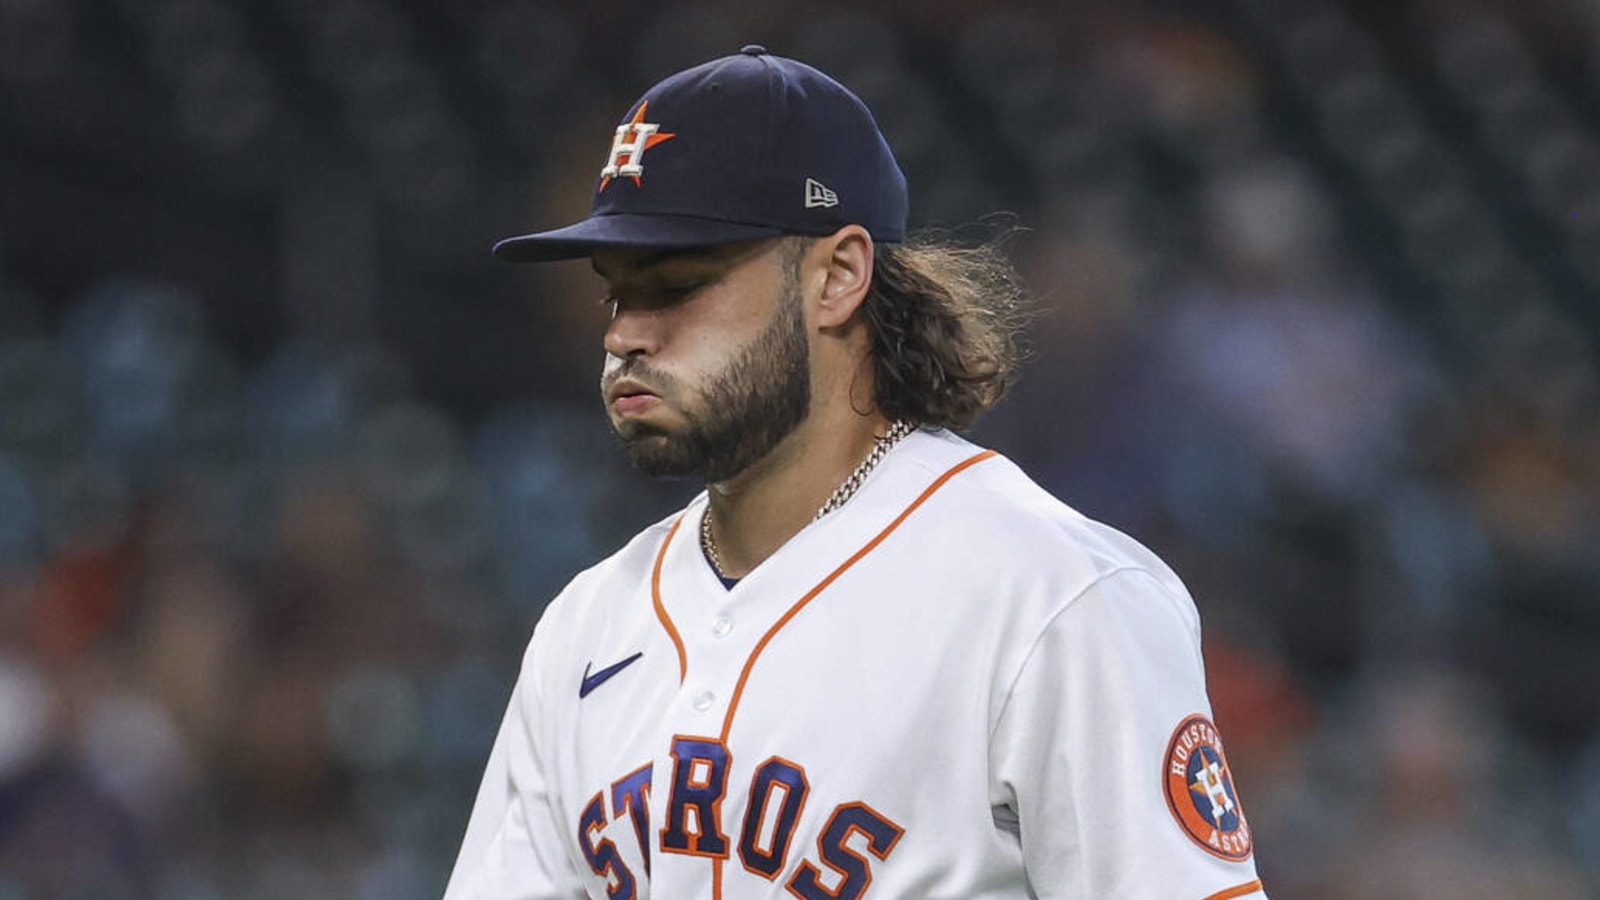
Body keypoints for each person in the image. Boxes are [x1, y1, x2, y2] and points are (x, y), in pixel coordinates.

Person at [443, 45, 1268, 900]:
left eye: (678, 284)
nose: (623, 335)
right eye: (616, 291)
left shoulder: (1052, 599)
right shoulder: (586, 628)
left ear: (838, 276)